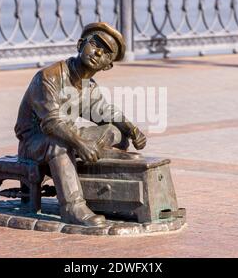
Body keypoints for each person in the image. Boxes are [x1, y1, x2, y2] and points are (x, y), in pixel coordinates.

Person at [14, 22, 147, 226]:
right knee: (59, 143)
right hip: (35, 142)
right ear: (79, 44)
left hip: (67, 134)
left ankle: (103, 167)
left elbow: (105, 112)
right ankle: (72, 207)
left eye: (106, 53)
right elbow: (51, 124)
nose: (98, 53)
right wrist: (81, 144)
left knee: (115, 131)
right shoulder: (48, 77)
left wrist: (131, 128)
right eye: (95, 44)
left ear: (107, 66)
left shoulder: (89, 86)